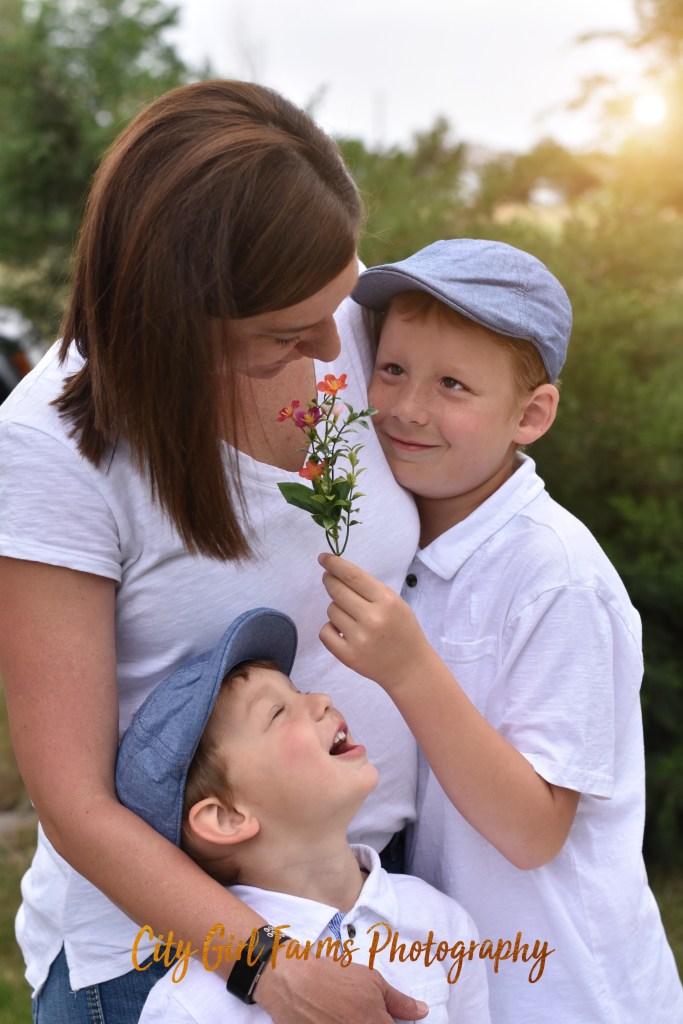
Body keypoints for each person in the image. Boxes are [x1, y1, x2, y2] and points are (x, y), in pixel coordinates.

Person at [0, 80, 423, 1024]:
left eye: (338, 299)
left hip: (373, 895)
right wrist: (269, 967)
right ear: (178, 310)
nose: (332, 347)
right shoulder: (52, 448)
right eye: (285, 332)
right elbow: (73, 801)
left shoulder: (351, 317)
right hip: (175, 960)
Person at [317, 239, 683, 1023]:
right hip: (465, 979)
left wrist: (409, 669)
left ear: (530, 415)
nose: (407, 407)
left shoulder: (557, 576)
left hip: (571, 994)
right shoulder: (398, 539)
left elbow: (533, 831)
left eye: (452, 384)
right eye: (392, 369)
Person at [113, 606, 492, 1023]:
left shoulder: (437, 922)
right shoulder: (193, 1007)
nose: (321, 700)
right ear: (227, 817)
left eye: (300, 690)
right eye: (277, 712)